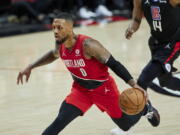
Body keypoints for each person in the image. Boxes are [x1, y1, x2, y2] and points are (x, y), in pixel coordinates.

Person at [17, 13, 159, 135]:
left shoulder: (89, 45)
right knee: (59, 122)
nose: (55, 31)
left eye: (59, 27)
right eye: (54, 27)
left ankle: (145, 108)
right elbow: (54, 55)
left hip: (104, 89)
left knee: (125, 125)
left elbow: (114, 64)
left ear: (70, 28)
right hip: (81, 91)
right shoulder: (59, 43)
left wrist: (134, 85)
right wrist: (31, 66)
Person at [125, 0, 180, 96]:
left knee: (142, 80)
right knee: (165, 81)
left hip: (174, 42)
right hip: (156, 42)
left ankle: (147, 110)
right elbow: (136, 19)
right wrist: (131, 28)